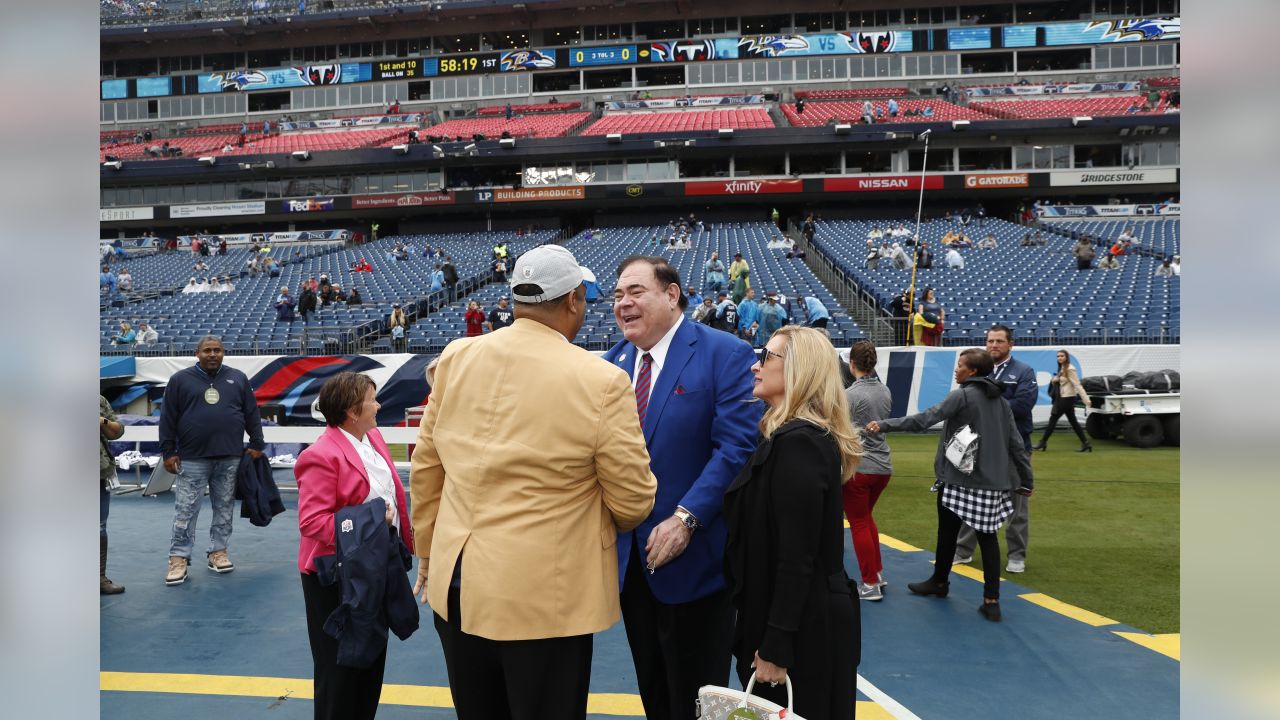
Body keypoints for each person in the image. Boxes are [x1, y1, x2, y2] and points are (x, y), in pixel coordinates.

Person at [410, 245, 658, 720]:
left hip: (458, 584)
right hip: (545, 598)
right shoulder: (601, 379)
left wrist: (427, 554)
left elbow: (426, 469)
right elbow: (632, 500)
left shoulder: (458, 356)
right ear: (572, 301)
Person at [601, 255, 760, 720]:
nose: (623, 303)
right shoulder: (612, 365)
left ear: (672, 295)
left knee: (696, 697)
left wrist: (686, 517)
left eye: (635, 292)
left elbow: (736, 447)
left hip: (697, 563)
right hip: (631, 566)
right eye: (617, 296)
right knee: (653, 689)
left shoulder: (724, 353)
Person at [723, 325, 862, 717]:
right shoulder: (793, 438)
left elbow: (796, 557)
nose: (756, 366)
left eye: (766, 356)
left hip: (802, 635)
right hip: (802, 623)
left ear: (799, 370)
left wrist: (776, 646)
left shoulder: (799, 443)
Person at [866, 348, 1033, 622]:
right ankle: (990, 600)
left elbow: (924, 420)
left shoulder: (963, 395)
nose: (956, 370)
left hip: (958, 479)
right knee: (988, 539)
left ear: (973, 372)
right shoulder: (1001, 401)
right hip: (993, 483)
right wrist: (1026, 480)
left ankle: (940, 583)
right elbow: (1016, 443)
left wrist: (884, 425)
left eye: (960, 366)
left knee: (947, 532)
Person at [296, 373, 415, 720]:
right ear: (352, 410)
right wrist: (377, 521)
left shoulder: (373, 437)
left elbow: (393, 497)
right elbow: (312, 523)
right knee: (340, 670)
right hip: (335, 578)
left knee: (370, 660)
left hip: (375, 566)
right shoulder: (320, 455)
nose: (379, 405)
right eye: (372, 400)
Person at [159, 336, 265, 585]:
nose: (212, 354)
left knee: (224, 508)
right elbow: (168, 417)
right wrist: (168, 451)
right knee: (186, 510)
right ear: (197, 353)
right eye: (207, 350)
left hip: (229, 456)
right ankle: (178, 558)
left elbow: (251, 412)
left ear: (224, 352)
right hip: (192, 457)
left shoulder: (237, 377)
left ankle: (218, 551)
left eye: (217, 350)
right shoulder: (179, 380)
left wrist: (257, 443)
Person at [954, 325, 1037, 573]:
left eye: (999, 341)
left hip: (1014, 449)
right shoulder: (979, 369)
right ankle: (963, 550)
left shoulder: (1024, 371)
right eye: (990, 341)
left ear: (1010, 344)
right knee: (971, 500)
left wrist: (988, 408)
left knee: (1017, 505)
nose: (993, 345)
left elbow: (1023, 405)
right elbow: (966, 402)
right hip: (980, 447)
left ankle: (1016, 556)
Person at [843, 341, 893, 601]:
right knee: (866, 518)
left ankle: (870, 582)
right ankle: (877, 573)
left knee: (859, 522)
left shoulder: (851, 395)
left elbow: (842, 427)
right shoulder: (884, 391)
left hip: (860, 467)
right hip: (882, 466)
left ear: (852, 363)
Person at [1033, 350, 1093, 453]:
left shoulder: (1070, 369)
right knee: (1073, 422)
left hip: (1067, 398)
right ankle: (1086, 443)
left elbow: (1077, 385)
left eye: (1062, 356)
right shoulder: (1062, 368)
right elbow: (1061, 381)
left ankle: (1043, 442)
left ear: (1066, 357)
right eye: (1058, 356)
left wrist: (1086, 399)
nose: (1059, 358)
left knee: (1053, 419)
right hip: (1064, 397)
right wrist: (1055, 379)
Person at [100, 395, 126, 595]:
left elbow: (117, 432)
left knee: (99, 527)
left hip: (98, 472)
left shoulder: (99, 400)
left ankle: (99, 578)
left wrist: (103, 421)